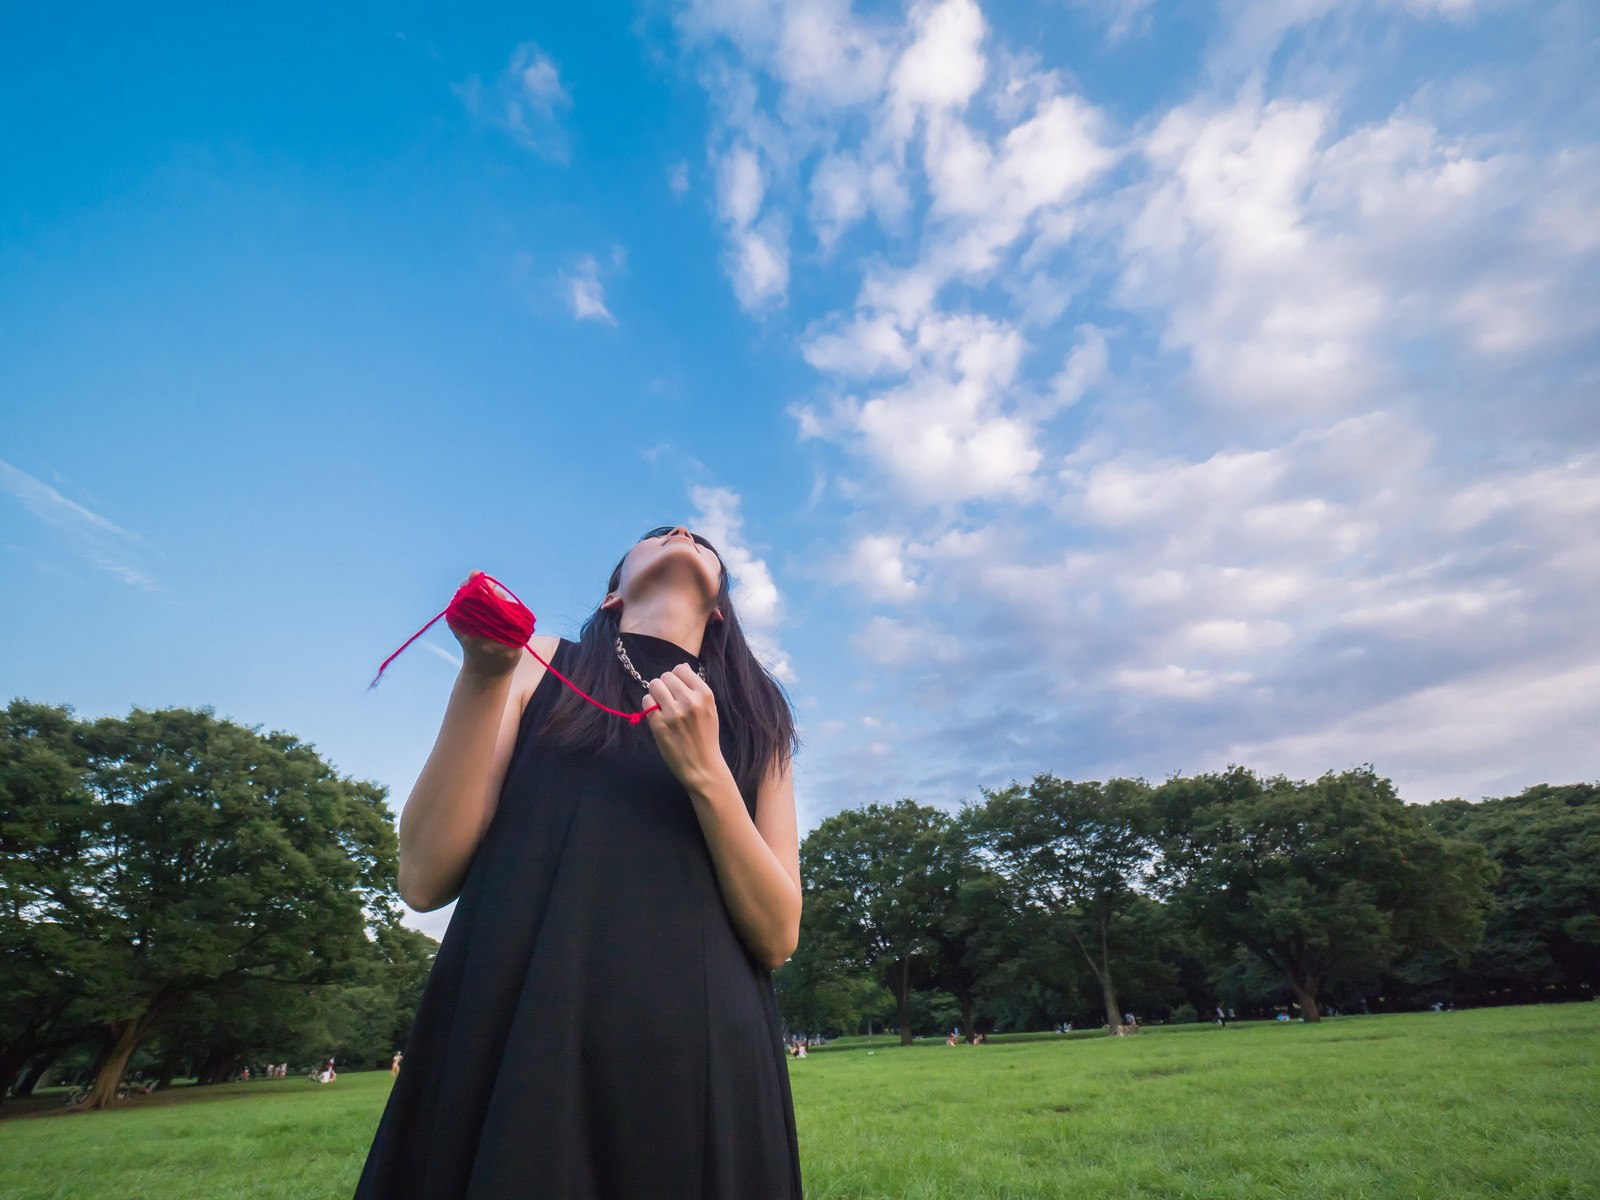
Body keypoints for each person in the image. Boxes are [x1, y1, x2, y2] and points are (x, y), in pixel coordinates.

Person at [355, 528, 804, 1199]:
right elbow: (423, 877)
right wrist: (485, 673)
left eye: (700, 541)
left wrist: (707, 774)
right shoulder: (532, 662)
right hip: (524, 1032)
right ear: (613, 594)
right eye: (655, 537)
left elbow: (778, 935)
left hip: (701, 1052)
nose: (680, 533)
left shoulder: (759, 716)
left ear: (720, 611)